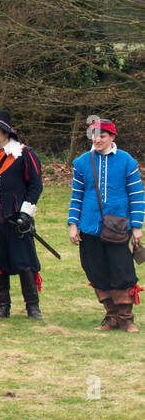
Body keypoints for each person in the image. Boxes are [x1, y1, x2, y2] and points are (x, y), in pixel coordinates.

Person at [68, 119, 144, 331]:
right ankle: (111, 316)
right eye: (94, 135)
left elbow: (137, 196)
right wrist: (73, 224)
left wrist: (136, 226)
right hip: (90, 227)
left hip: (119, 226)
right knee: (96, 271)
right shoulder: (82, 162)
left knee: (122, 271)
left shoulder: (127, 161)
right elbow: (77, 196)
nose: (97, 139)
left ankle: (126, 318)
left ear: (112, 137)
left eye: (102, 135)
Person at [0, 111, 45, 320]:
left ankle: (32, 307)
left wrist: (26, 214)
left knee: (25, 262)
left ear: (7, 132)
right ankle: (2, 306)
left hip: (17, 216)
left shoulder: (24, 153)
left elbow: (36, 185)